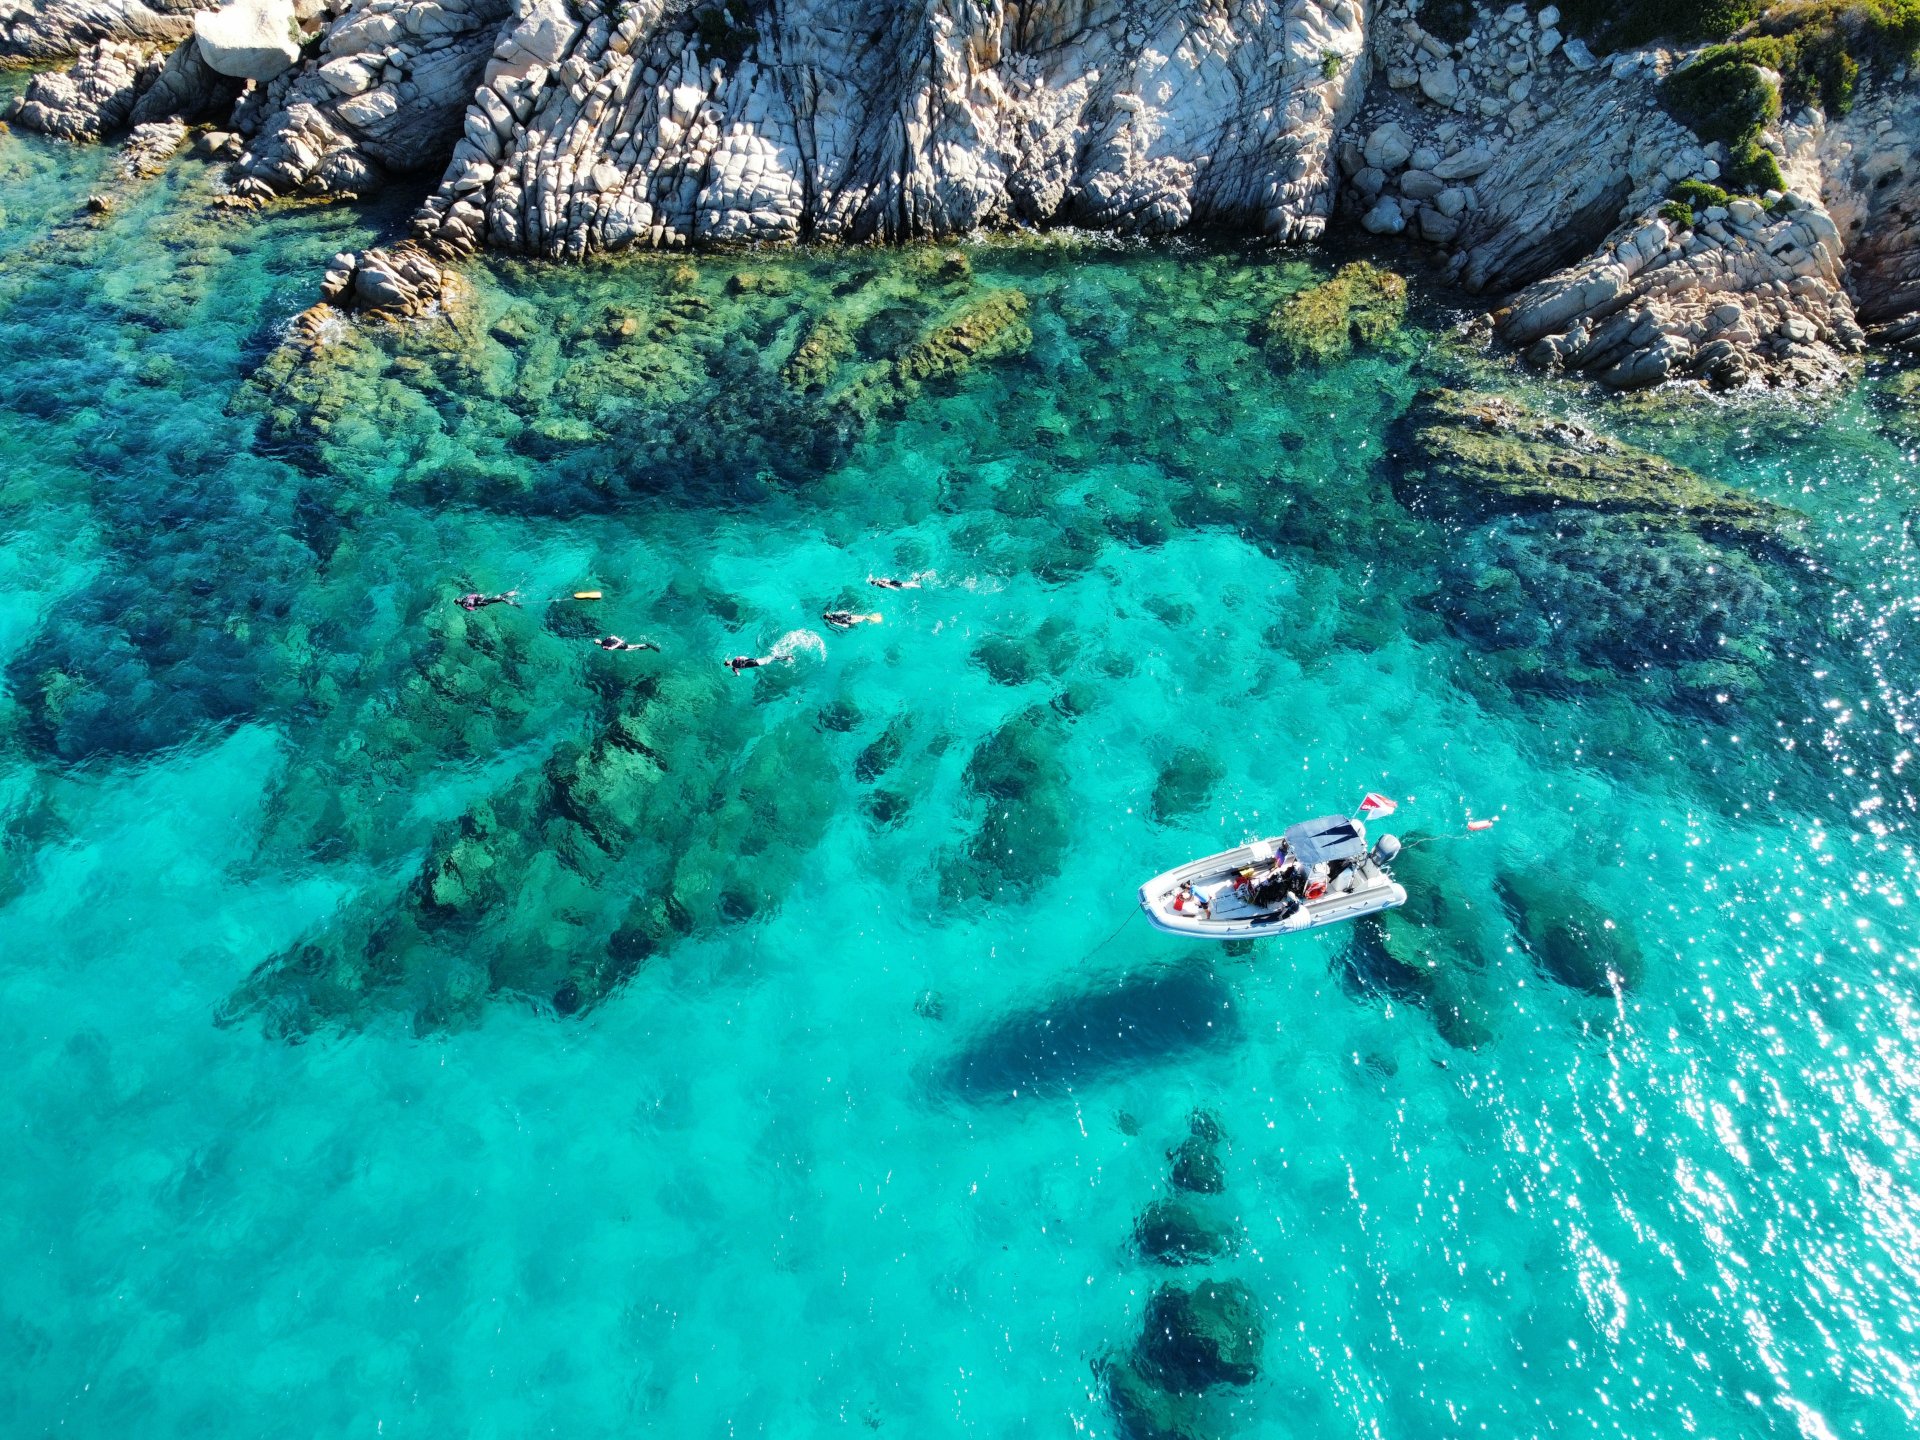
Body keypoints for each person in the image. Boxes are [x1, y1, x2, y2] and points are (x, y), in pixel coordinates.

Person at [726, 652, 793, 675]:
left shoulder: (734, 668)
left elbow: (738, 674)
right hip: (752, 661)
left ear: (728, 666)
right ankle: (786, 657)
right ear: (729, 661)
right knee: (770, 659)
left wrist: (736, 674)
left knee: (771, 659)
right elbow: (742, 657)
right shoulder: (735, 660)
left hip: (754, 664)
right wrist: (748, 659)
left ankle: (787, 657)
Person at [593, 635, 658, 652]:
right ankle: (642, 647)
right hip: (621, 644)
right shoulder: (606, 639)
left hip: (621, 645)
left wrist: (619, 642)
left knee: (631, 647)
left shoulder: (603, 647)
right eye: (596, 641)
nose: (597, 641)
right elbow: (613, 637)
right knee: (629, 649)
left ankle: (645, 645)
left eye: (596, 641)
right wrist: (620, 641)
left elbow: (611, 648)